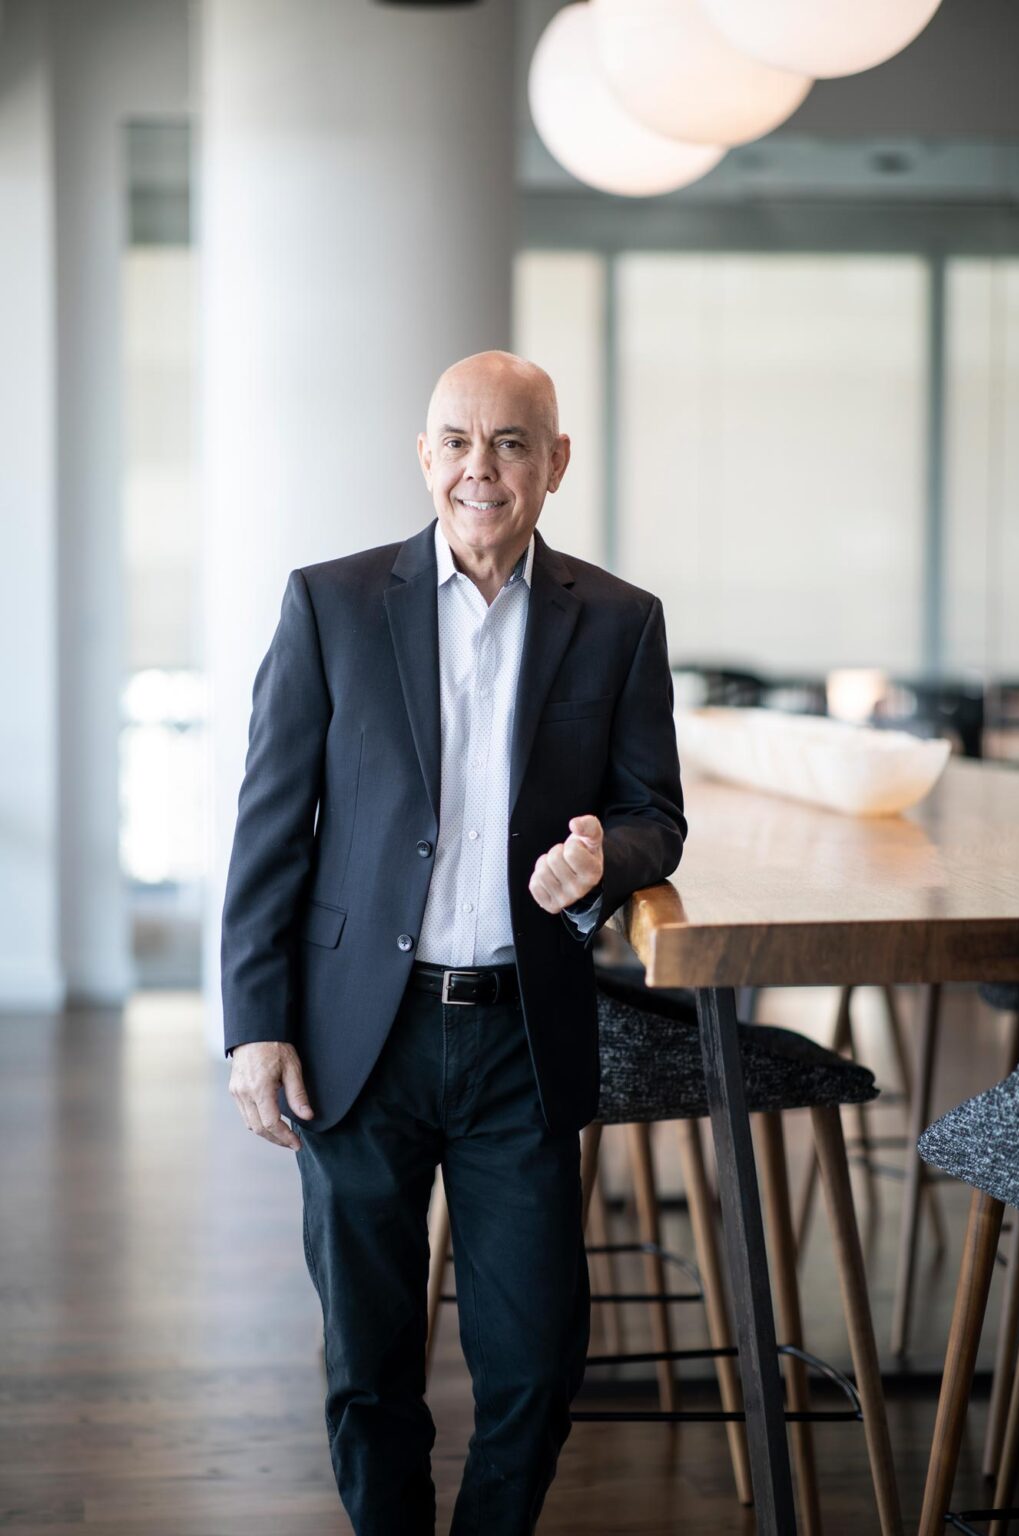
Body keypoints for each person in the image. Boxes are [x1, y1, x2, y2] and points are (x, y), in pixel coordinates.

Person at [220, 349, 687, 1535]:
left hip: (520, 1042)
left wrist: (604, 862)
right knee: (369, 1370)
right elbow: (271, 829)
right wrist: (255, 1024)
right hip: (353, 1042)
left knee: (534, 1368)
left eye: (514, 443)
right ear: (424, 456)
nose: (484, 468)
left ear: (556, 462)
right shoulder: (328, 604)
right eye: (460, 442)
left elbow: (655, 816)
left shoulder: (620, 621)